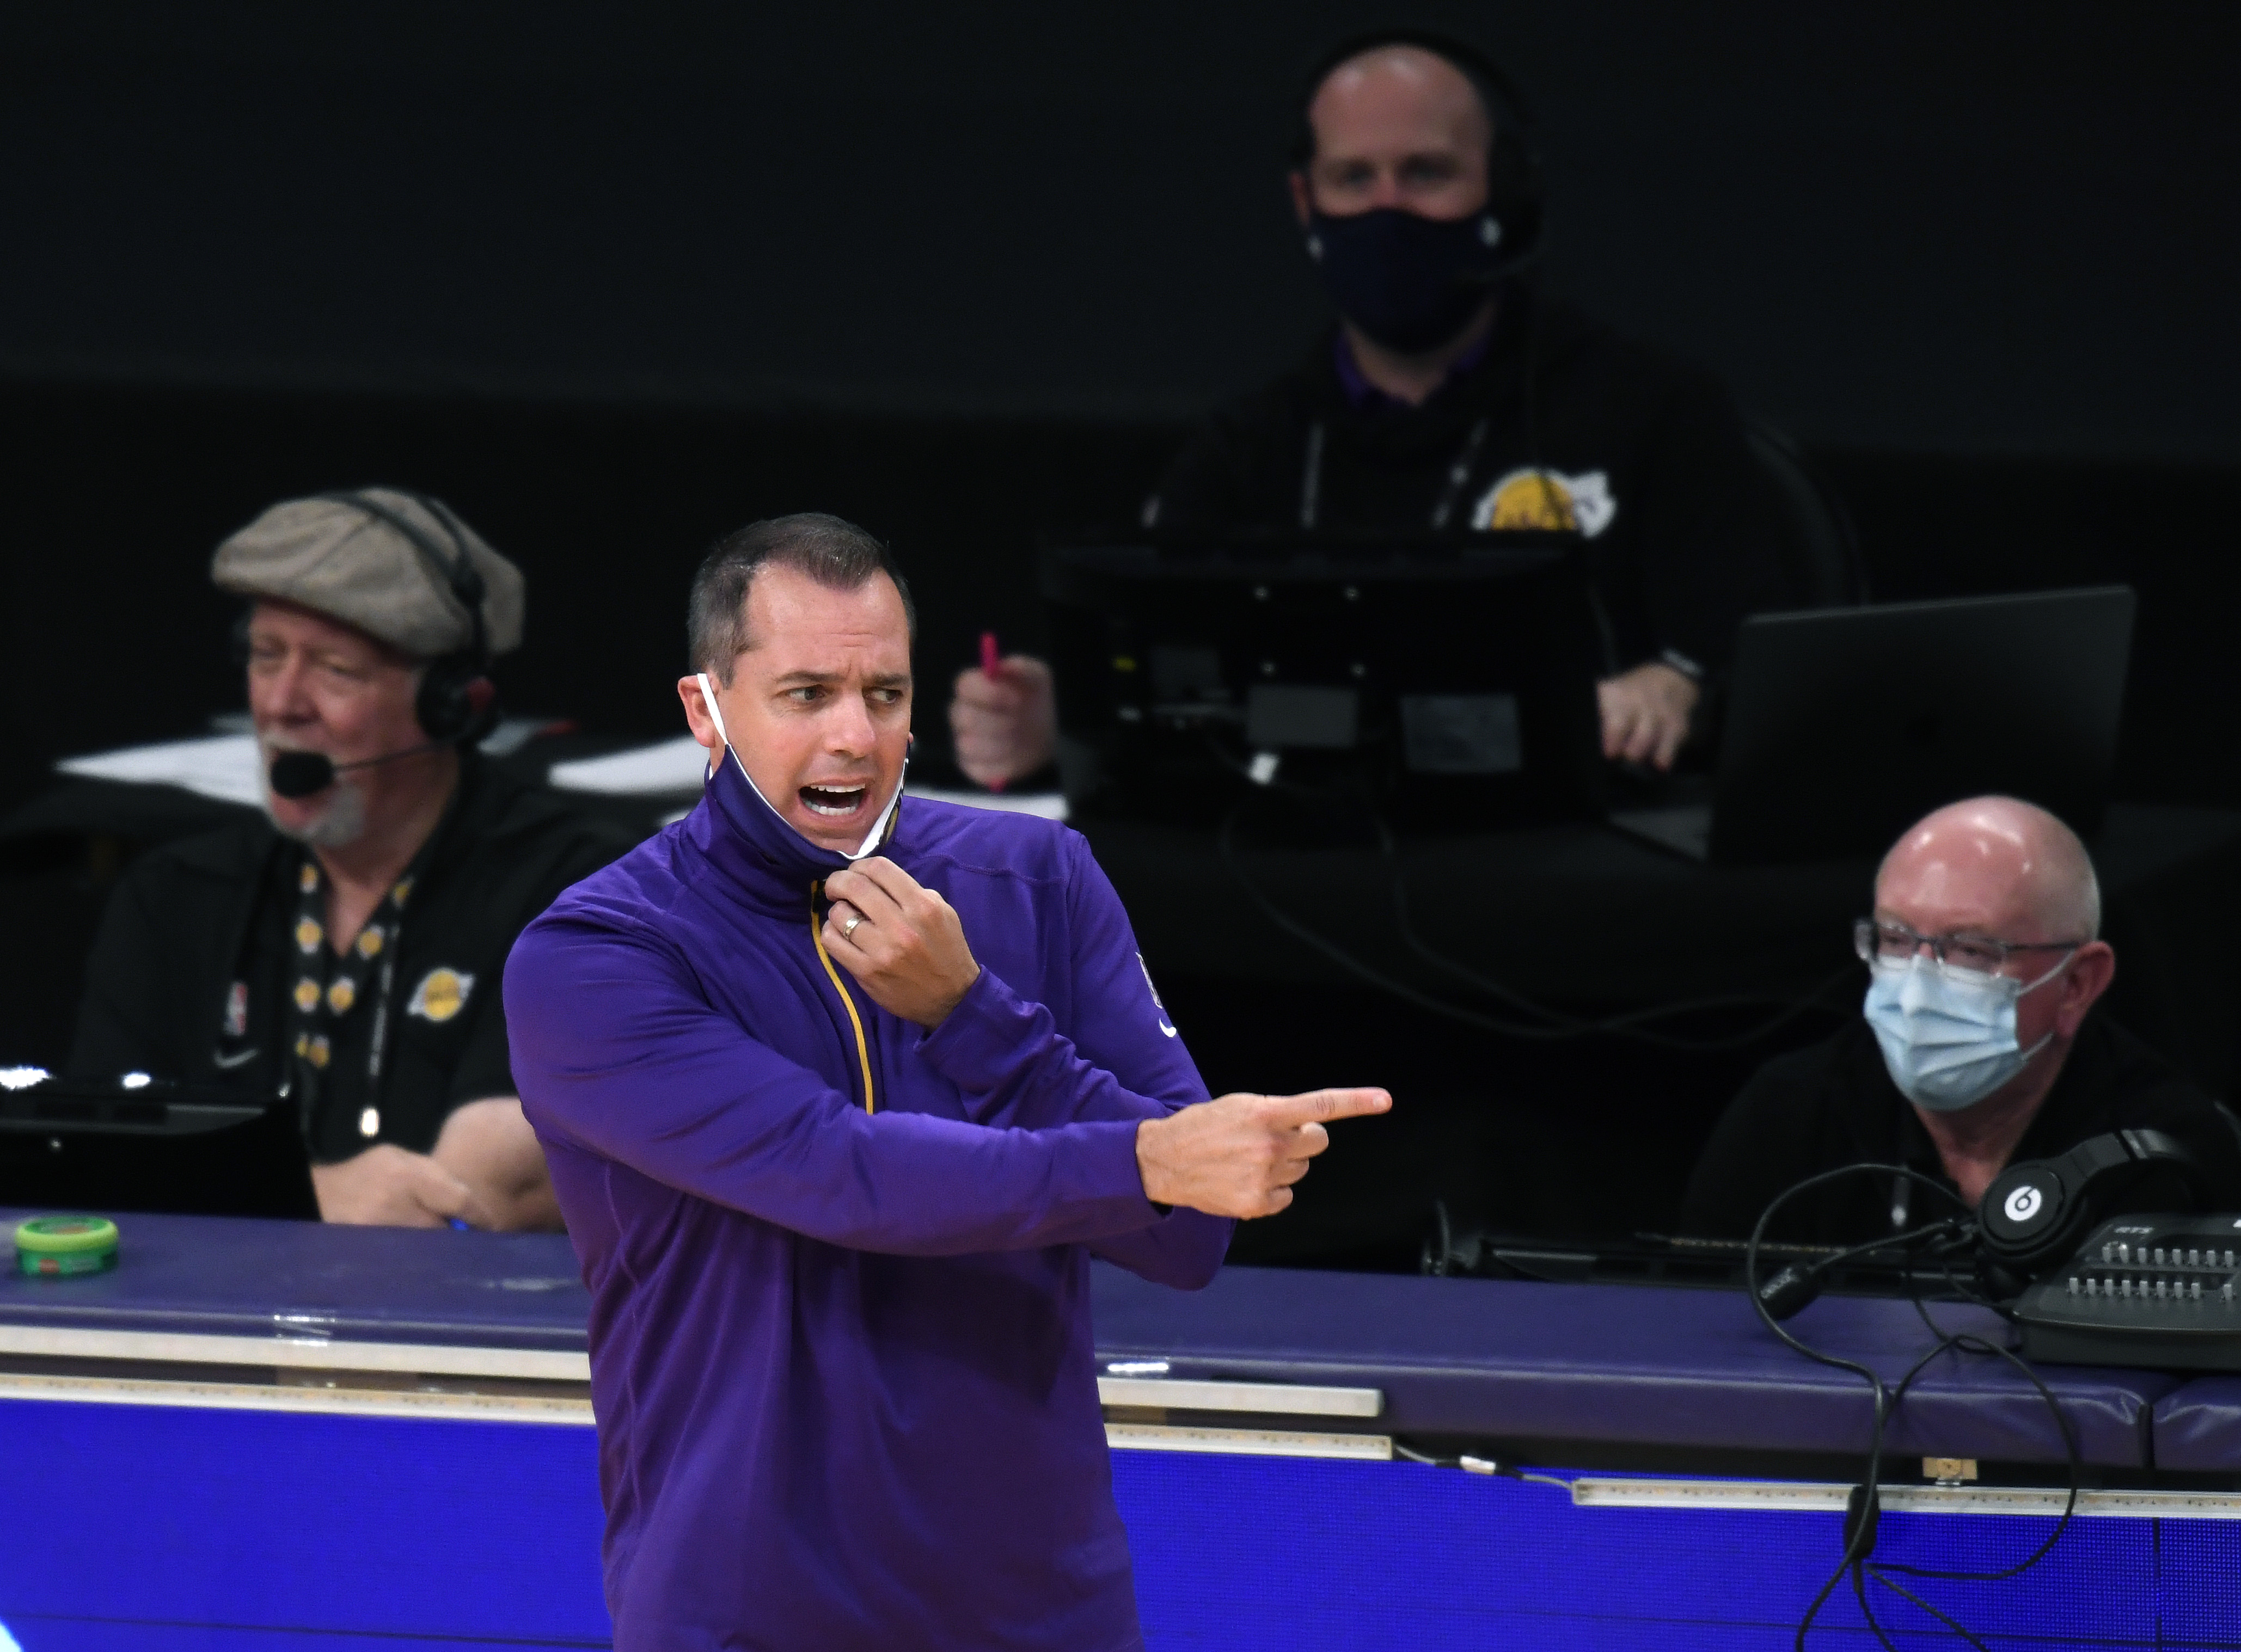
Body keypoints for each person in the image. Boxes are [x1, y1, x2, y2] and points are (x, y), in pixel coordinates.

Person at [504, 513, 1391, 1651]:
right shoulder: (596, 957)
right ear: (705, 710)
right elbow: (842, 1175)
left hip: (1039, 1613)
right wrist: (1142, 1154)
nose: (854, 736)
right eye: (806, 694)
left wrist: (978, 1019)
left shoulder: (1038, 877)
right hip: (746, 1610)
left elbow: (1186, 1237)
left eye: (884, 694)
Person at [952, 28, 1789, 788]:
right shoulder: (1251, 447)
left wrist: (1679, 686)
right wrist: (1069, 716)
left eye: (1426, 173)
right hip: (1303, 859)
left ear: (1505, 189)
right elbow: (1155, 667)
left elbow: (1765, 676)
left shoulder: (1653, 408)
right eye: (1354, 178)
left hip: (1566, 862)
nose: (1388, 209)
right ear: (1305, 202)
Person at [69, 488, 632, 1230]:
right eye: (267, 656)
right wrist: (320, 1196)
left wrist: (224, 1197)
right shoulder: (176, 897)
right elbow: (94, 1168)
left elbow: (479, 1191)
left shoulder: (574, 895)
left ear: (450, 705)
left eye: (335, 669)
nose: (283, 703)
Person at [1682, 796, 2241, 1243]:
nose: (1917, 992)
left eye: (1971, 950)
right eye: (1895, 940)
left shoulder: (2165, 1159)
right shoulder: (1788, 1116)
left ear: (2077, 984)